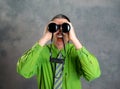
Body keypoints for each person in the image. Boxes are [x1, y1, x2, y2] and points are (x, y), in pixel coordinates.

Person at [17, 14, 101, 89]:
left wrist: (74, 39)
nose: (60, 32)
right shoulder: (40, 52)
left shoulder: (76, 52)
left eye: (65, 27)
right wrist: (44, 38)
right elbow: (23, 71)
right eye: (55, 27)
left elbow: (93, 74)